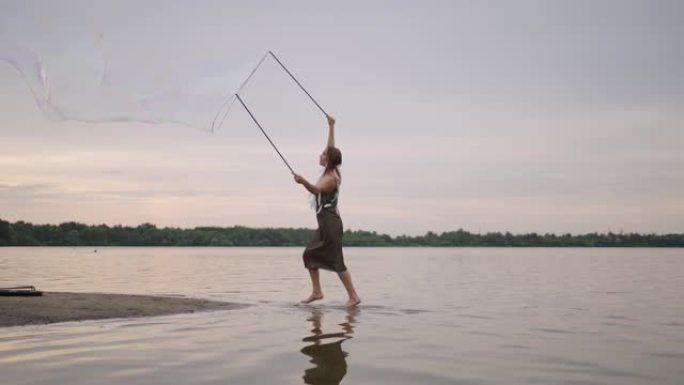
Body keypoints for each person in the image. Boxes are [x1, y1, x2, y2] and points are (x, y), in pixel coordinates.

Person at [294, 114, 361, 308]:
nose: (321, 155)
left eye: (324, 154)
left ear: (329, 160)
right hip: (324, 223)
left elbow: (316, 190)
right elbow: (331, 146)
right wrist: (331, 126)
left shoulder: (331, 178)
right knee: (309, 255)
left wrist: (302, 181)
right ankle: (317, 292)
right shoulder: (329, 170)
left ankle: (354, 296)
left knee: (336, 261)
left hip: (331, 223)